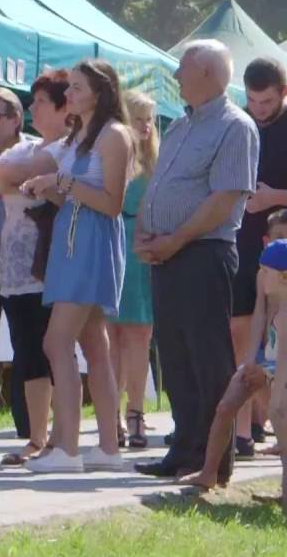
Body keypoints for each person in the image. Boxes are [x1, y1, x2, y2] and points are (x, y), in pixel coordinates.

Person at [135, 40, 259, 480]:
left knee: (207, 356)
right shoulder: (180, 127)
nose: (176, 77)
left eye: (183, 68)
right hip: (168, 254)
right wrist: (147, 234)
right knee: (175, 354)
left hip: (204, 253)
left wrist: (177, 239)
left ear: (207, 73)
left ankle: (214, 460)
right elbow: (160, 187)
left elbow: (225, 199)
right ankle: (184, 449)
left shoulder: (234, 127)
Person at [18, 59, 132, 473]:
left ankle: (67, 447)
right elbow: (76, 197)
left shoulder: (114, 135)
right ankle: (107, 447)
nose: (70, 94)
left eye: (79, 88)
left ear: (101, 92)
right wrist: (49, 187)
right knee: (93, 346)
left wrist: (62, 183)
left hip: (90, 243)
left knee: (56, 341)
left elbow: (111, 203)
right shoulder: (80, 136)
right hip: (72, 238)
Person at [0, 71, 70, 464]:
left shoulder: (59, 149)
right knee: (26, 349)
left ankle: (61, 438)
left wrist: (24, 181)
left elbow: (62, 189)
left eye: (40, 103)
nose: (33, 108)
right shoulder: (22, 155)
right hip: (14, 265)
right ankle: (37, 437)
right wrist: (23, 184)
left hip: (53, 261)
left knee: (59, 351)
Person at [180, 217, 287, 499]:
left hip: (282, 362)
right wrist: (251, 360)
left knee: (280, 417)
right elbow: (259, 318)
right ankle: (209, 473)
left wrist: (268, 376)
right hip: (267, 355)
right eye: (278, 236)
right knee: (226, 406)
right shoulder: (265, 274)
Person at [231, 58, 287, 456]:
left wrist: (274, 198)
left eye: (266, 102)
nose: (259, 109)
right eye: (252, 100)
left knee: (278, 332)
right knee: (241, 329)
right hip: (244, 241)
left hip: (282, 247)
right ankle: (246, 424)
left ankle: (271, 417)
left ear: (283, 93)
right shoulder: (240, 124)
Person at [0, 87, 36, 432]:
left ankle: (29, 426)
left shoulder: (32, 150)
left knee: (25, 341)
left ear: (16, 118)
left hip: (25, 259)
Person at [112, 89, 159, 450]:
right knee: (111, 335)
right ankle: (110, 414)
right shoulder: (113, 154)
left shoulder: (159, 160)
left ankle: (135, 412)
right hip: (113, 241)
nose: (145, 126)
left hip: (142, 247)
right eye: (138, 117)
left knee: (139, 335)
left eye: (149, 118)